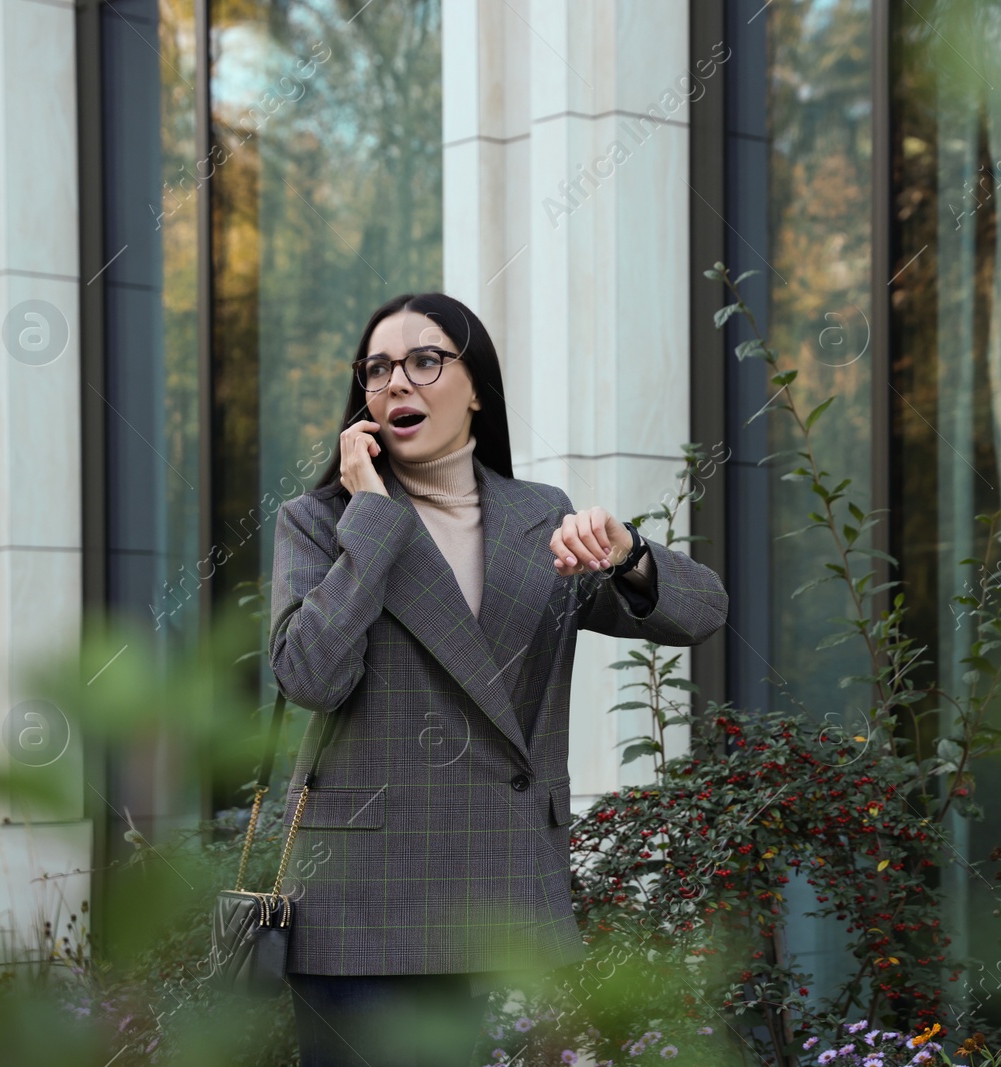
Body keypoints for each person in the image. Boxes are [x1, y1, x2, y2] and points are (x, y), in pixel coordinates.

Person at [268, 291, 729, 1066]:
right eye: (378, 368)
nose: (397, 384)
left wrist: (628, 556)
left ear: (476, 385)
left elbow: (702, 612)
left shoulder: (538, 516)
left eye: (425, 360)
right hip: (362, 903)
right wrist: (373, 519)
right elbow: (309, 675)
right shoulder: (321, 519)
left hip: (504, 887)